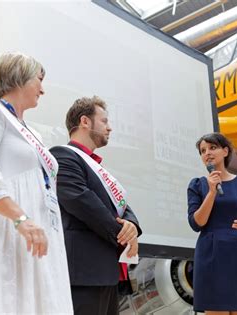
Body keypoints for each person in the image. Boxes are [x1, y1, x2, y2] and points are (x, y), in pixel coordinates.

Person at [0, 52, 73, 313]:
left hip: (38, 239)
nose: (43, 89)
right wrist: (20, 218)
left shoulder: (33, 133)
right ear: (19, 79)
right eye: (38, 79)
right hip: (8, 233)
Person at [50, 96, 141, 315]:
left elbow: (123, 207)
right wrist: (122, 233)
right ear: (85, 121)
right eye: (104, 121)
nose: (109, 128)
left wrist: (131, 224)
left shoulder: (99, 168)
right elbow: (81, 200)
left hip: (107, 272)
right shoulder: (62, 155)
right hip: (84, 272)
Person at [187, 132, 237, 315]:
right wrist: (212, 192)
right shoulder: (197, 185)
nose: (207, 153)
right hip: (211, 253)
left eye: (212, 148)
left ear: (225, 151)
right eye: (202, 150)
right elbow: (196, 223)